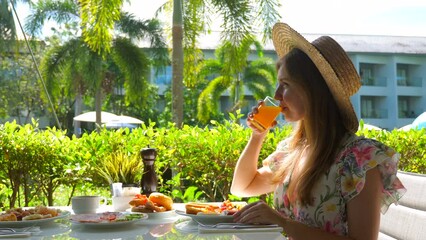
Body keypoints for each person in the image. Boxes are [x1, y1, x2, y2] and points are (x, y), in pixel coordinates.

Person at [230, 22, 406, 240]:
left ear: (313, 90)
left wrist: (283, 223)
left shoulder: (358, 160)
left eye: (285, 84)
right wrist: (257, 136)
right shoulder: (291, 151)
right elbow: (241, 187)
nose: (276, 96)